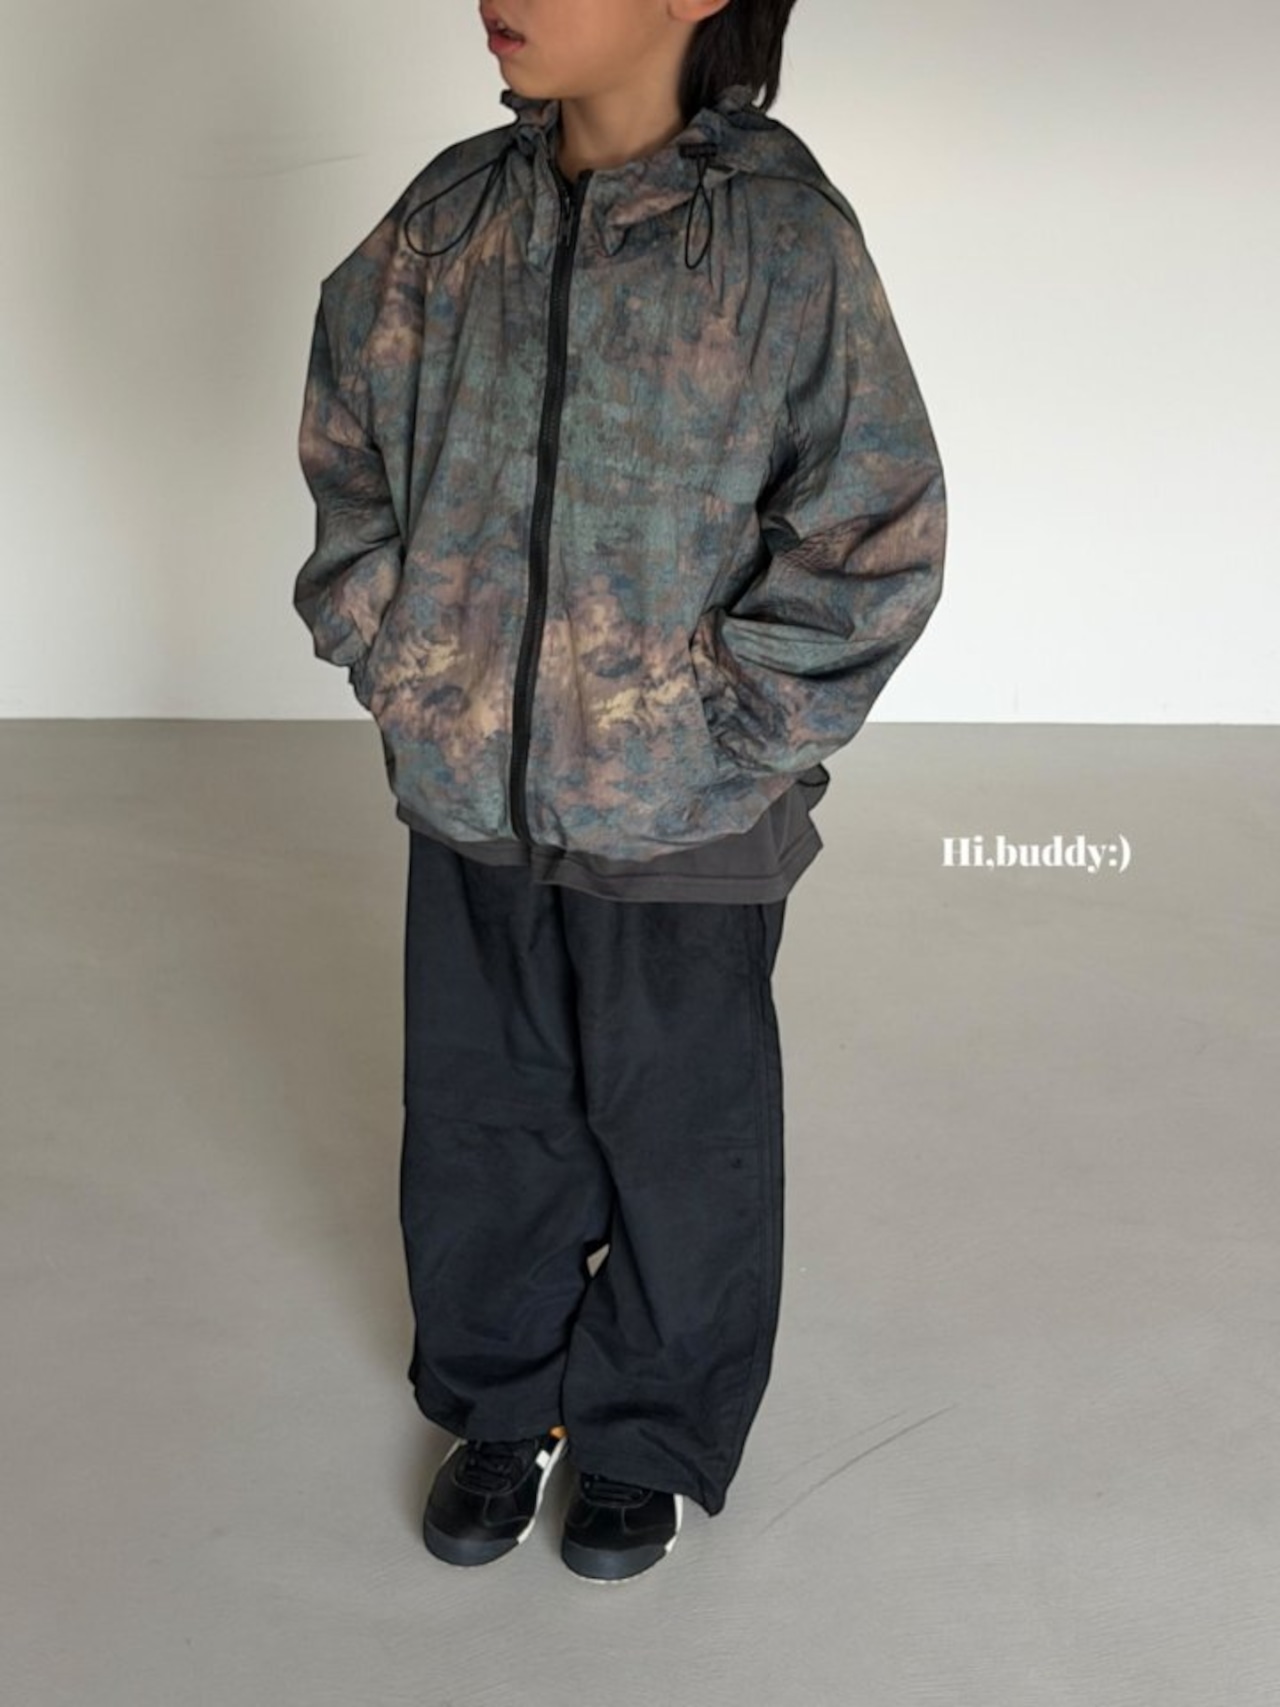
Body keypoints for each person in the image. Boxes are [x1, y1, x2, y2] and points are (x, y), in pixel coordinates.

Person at [293, 0, 946, 1585]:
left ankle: (647, 1429)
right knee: (482, 1114)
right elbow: (348, 433)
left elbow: (874, 521)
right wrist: (400, 647)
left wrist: (728, 727)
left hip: (686, 813)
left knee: (682, 1133)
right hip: (471, 792)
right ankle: (499, 1398)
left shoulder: (781, 242)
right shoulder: (449, 219)